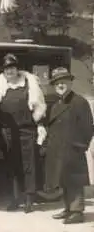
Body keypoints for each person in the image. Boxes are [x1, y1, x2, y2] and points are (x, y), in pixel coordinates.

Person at [0, 53, 47, 213]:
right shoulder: (0, 87)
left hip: (26, 130)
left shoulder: (29, 85)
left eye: (12, 68)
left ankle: (30, 199)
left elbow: (38, 106)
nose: (10, 71)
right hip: (8, 132)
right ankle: (16, 198)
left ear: (17, 69)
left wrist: (39, 124)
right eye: (7, 68)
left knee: (29, 164)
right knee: (12, 164)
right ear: (3, 71)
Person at [43, 67, 93, 225]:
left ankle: (77, 211)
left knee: (74, 180)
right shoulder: (57, 103)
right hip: (58, 149)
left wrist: (79, 146)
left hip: (73, 149)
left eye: (64, 81)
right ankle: (68, 208)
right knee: (63, 179)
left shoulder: (79, 102)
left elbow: (88, 127)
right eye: (57, 82)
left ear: (70, 83)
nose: (60, 84)